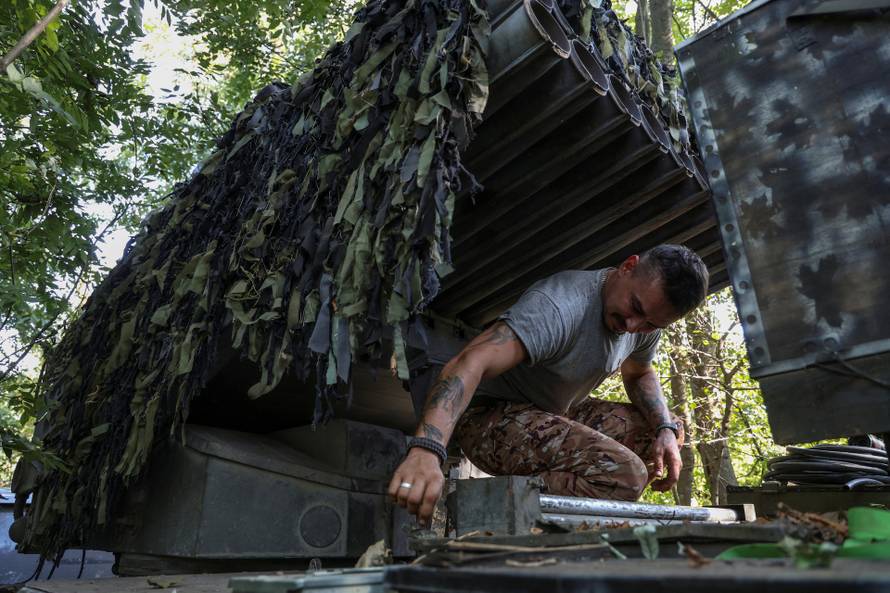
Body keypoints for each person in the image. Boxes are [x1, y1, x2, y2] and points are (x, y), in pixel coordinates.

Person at [388, 244, 709, 525]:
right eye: (635, 308)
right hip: (487, 417)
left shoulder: (645, 319)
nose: (633, 326)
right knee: (626, 475)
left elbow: (639, 373)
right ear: (628, 266)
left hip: (553, 412)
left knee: (659, 435)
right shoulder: (559, 306)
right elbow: (471, 361)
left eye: (651, 324)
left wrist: (664, 428)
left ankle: (551, 510)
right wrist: (426, 450)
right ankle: (492, 513)